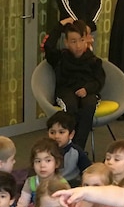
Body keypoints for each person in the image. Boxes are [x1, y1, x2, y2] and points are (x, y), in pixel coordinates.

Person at [43, 20, 106, 149]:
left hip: (87, 92)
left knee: (89, 106)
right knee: (70, 108)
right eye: (73, 41)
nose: (78, 45)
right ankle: (67, 147)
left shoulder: (94, 61)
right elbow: (48, 46)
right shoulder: (60, 58)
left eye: (81, 40)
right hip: (66, 91)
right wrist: (60, 25)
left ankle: (77, 149)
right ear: (66, 43)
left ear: (87, 40)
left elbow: (99, 81)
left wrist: (87, 89)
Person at [16, 138, 70, 207]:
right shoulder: (30, 182)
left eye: (48, 160)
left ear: (57, 163)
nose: (42, 165)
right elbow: (21, 206)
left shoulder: (62, 184)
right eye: (38, 161)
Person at [45, 111, 92, 187]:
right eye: (52, 132)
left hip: (71, 184)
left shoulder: (76, 151)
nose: (56, 136)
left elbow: (88, 171)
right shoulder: (44, 150)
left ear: (71, 134)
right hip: (49, 184)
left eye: (61, 132)